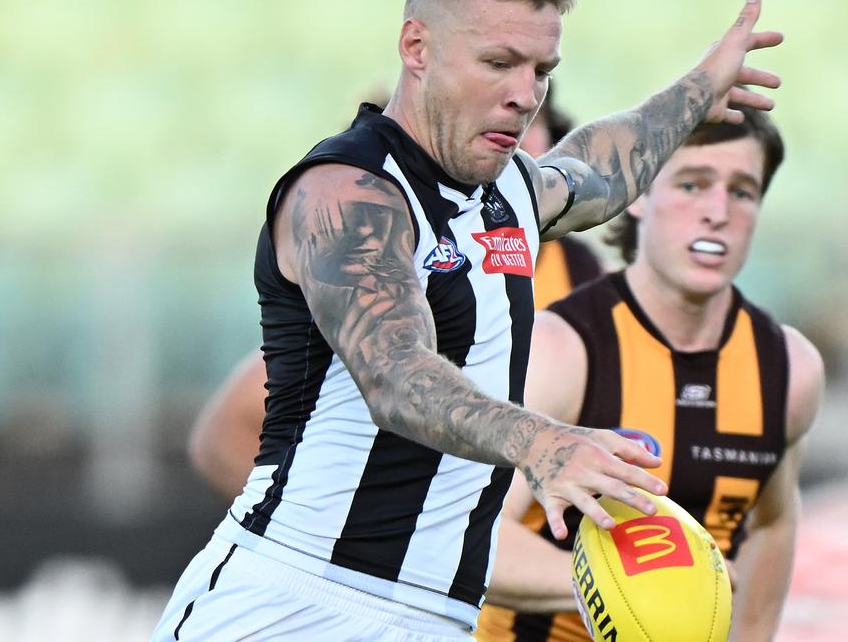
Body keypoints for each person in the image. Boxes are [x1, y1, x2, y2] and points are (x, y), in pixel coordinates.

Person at [152, 0, 783, 640]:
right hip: (297, 602)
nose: (525, 95)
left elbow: (605, 170)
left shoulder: (507, 190)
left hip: (442, 616)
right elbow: (395, 376)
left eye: (541, 70)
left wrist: (702, 88)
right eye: (498, 62)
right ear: (417, 47)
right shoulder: (346, 193)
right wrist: (545, 445)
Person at [474, 106, 823, 642]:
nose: (717, 211)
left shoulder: (789, 368)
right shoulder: (560, 349)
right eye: (692, 184)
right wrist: (647, 589)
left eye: (742, 191)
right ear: (637, 196)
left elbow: (771, 523)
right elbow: (472, 539)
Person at [188, 84, 604, 504]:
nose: (513, 136)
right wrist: (325, 528)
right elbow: (225, 431)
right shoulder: (403, 257)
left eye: (531, 123)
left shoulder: (577, 269)